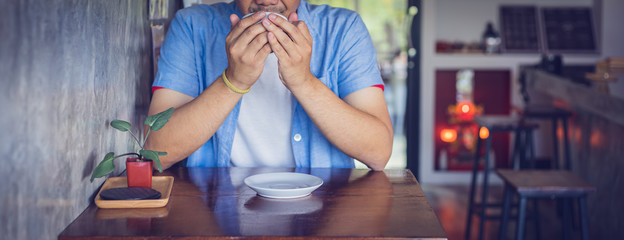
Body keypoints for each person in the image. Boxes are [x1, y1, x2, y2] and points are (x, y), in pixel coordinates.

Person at [145, 0, 393, 171]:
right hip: (216, 210)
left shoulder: (344, 29)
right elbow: (156, 150)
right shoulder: (191, 26)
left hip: (324, 210)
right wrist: (233, 82)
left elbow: (379, 152)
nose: (265, 0)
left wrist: (303, 82)